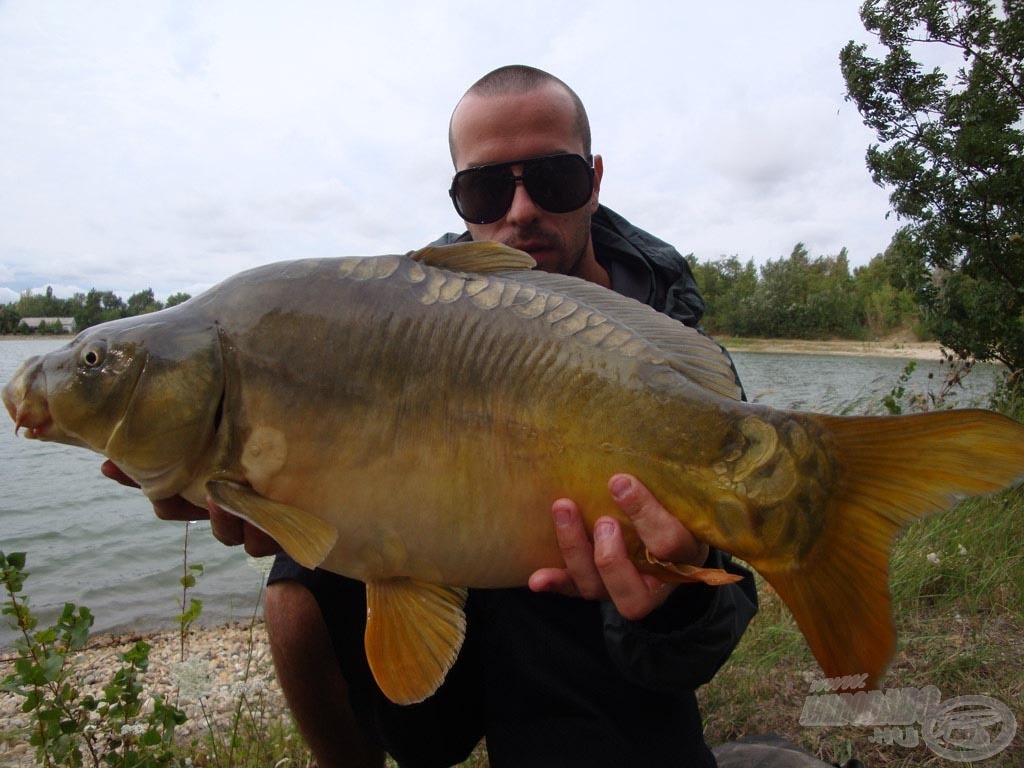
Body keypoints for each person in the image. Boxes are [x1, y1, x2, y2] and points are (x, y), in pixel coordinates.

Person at [105, 65, 853, 768]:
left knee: (586, 660)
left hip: (598, 645)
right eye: (486, 191)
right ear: (458, 198)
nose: (521, 211)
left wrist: (670, 601)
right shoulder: (403, 310)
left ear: (593, 180)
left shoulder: (666, 350)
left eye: (553, 179)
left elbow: (716, 627)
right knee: (295, 592)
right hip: (436, 615)